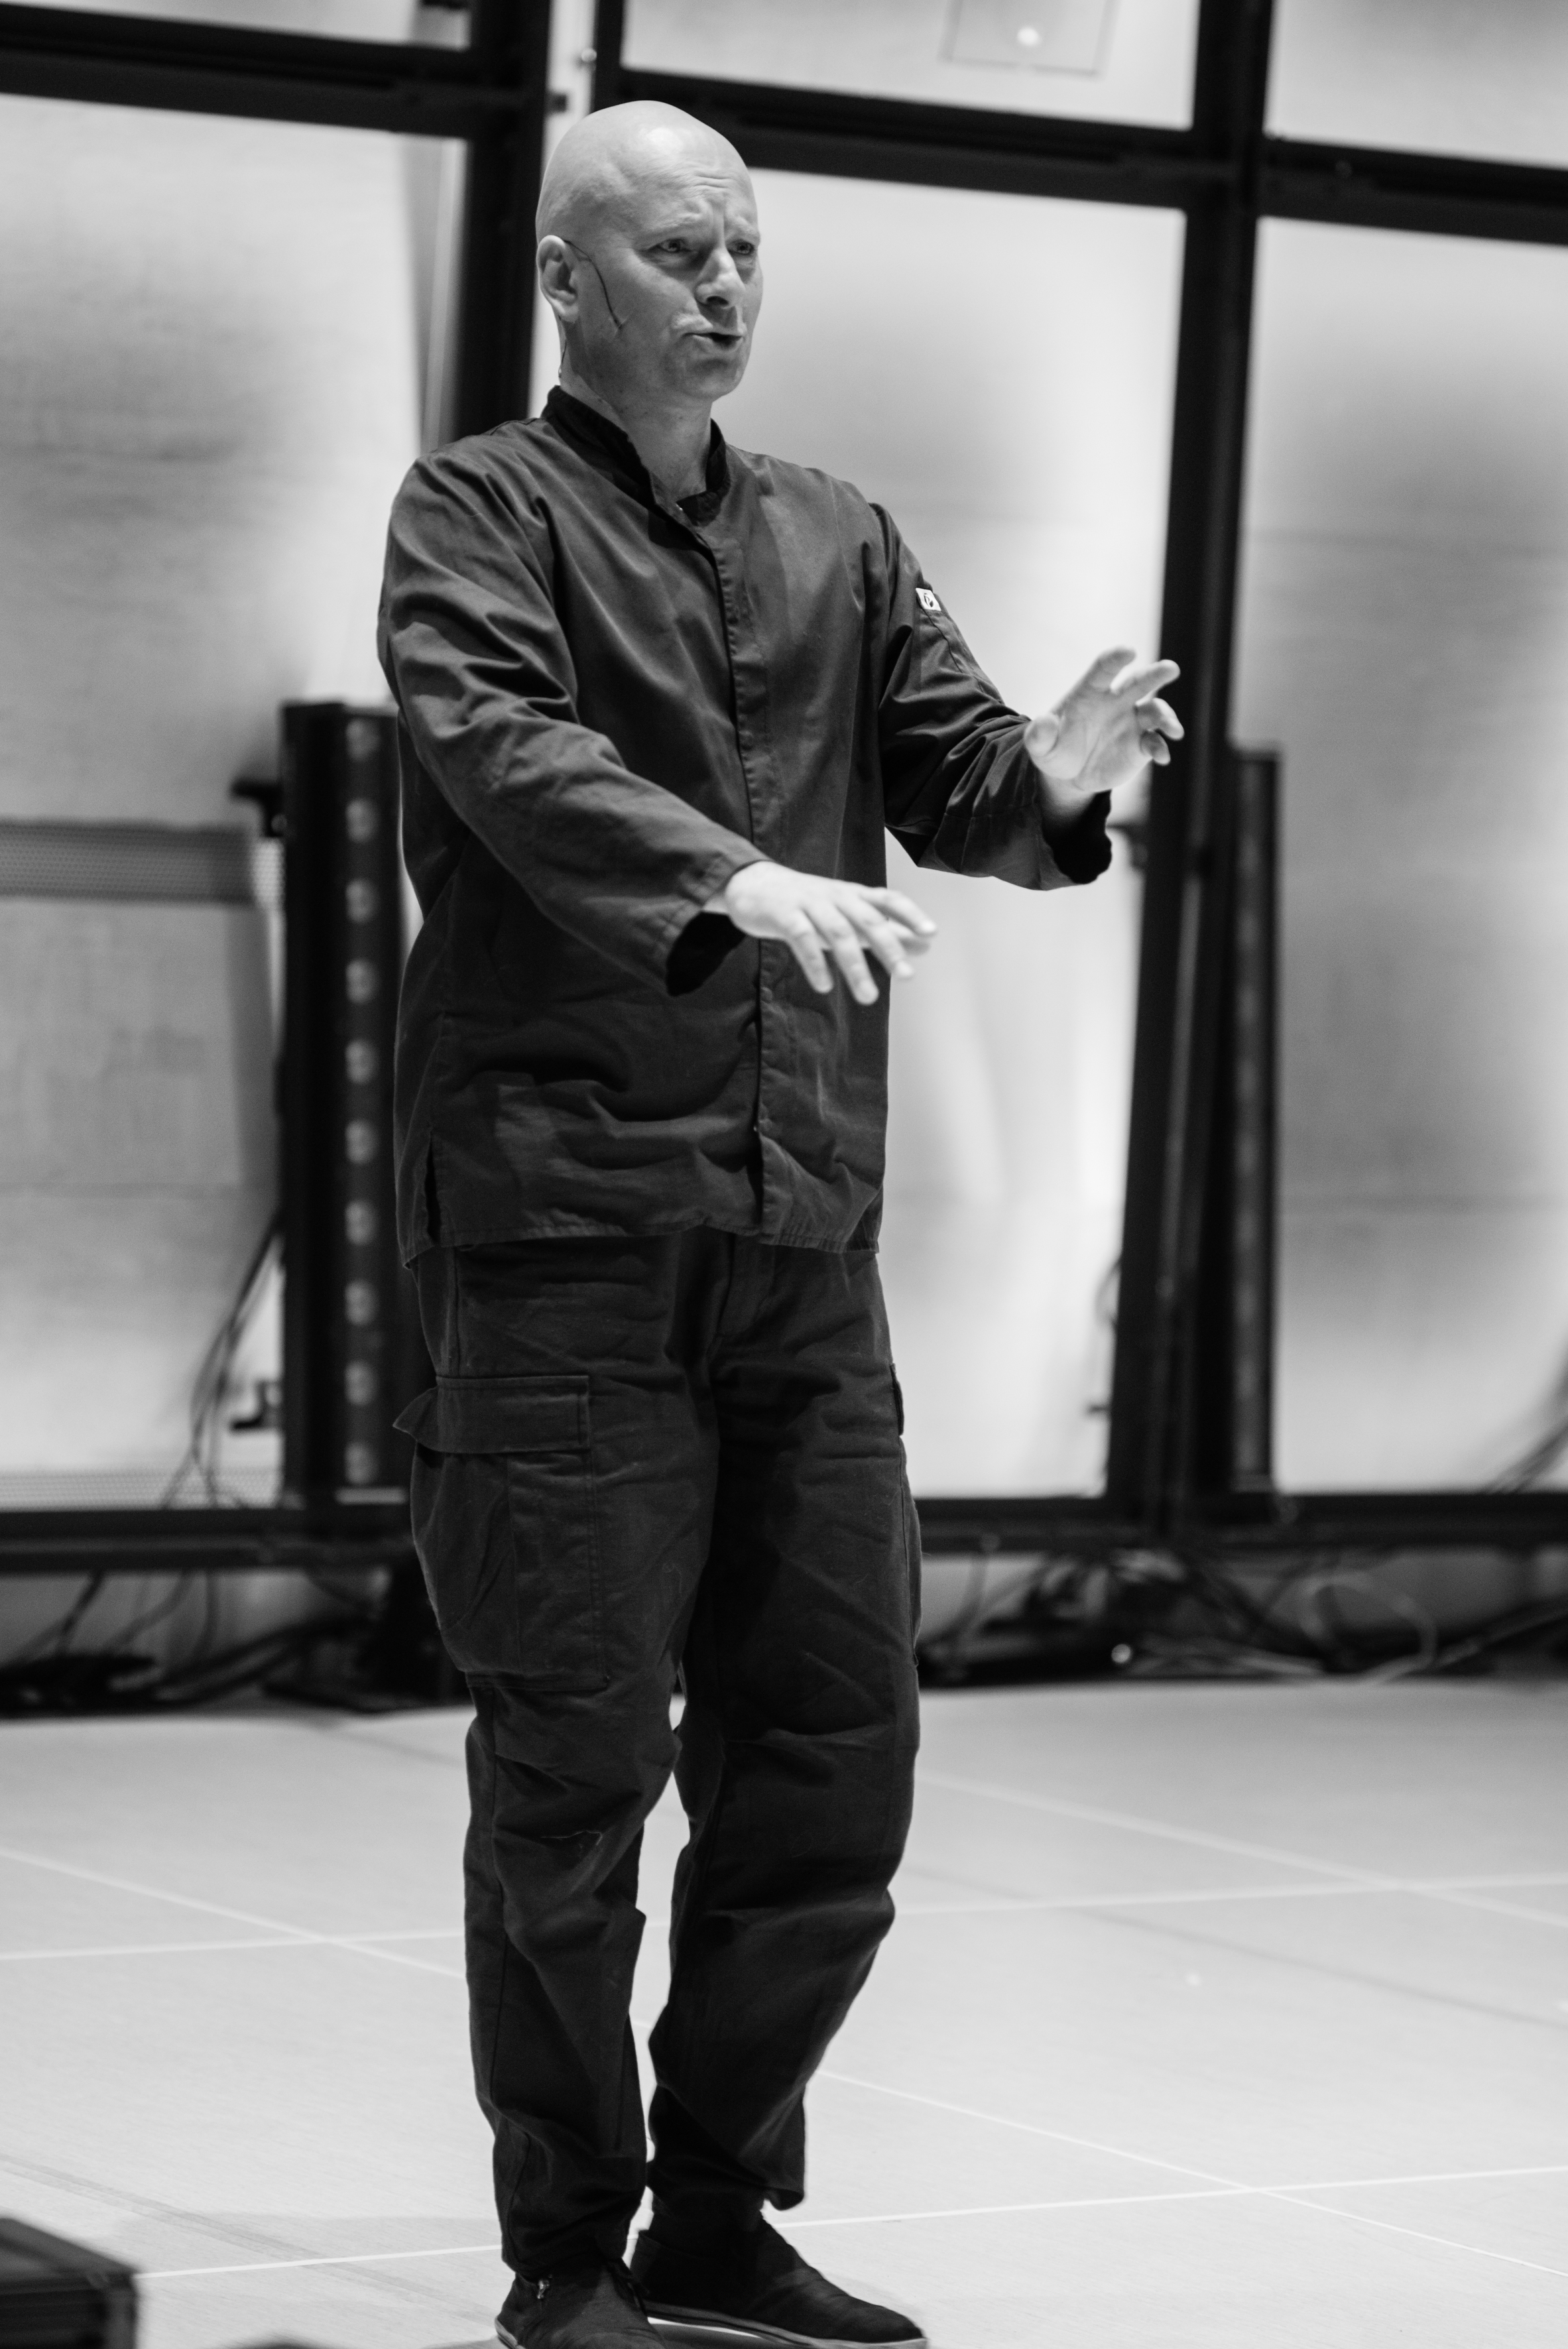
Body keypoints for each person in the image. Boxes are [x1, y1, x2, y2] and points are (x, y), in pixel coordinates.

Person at [379, 99, 1180, 2349]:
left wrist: (1053, 776)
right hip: (563, 1233)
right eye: (676, 251)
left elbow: (959, 776)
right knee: (573, 1774)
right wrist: (724, 875)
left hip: (801, 1237)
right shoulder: (477, 512)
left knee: (835, 1754)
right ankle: (566, 2254)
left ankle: (718, 2212)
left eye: (743, 248)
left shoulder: (838, 531)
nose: (723, 286)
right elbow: (502, 751)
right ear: (568, 279)